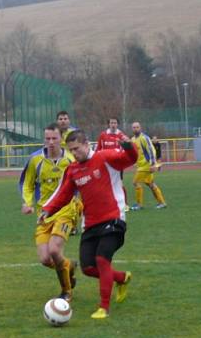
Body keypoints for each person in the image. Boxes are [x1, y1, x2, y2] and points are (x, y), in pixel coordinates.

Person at [40, 130, 136, 319]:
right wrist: (47, 210)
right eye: (71, 150)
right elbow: (63, 194)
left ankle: (104, 307)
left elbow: (130, 159)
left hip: (113, 219)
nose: (74, 153)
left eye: (76, 149)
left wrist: (128, 146)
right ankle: (122, 278)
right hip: (91, 224)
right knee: (88, 268)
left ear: (86, 144)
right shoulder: (73, 169)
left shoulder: (105, 157)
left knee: (102, 259)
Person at [19, 125, 81, 302]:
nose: (51, 142)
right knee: (46, 259)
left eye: (54, 138)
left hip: (66, 211)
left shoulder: (70, 159)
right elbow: (27, 184)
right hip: (44, 215)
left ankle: (66, 292)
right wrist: (27, 202)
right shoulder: (35, 160)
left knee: (54, 250)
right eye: (47, 139)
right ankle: (68, 267)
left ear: (61, 139)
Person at [129, 122, 167, 209]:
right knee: (150, 184)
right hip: (141, 165)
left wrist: (153, 164)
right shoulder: (133, 139)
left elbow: (151, 151)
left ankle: (139, 205)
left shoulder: (144, 138)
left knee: (136, 182)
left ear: (140, 128)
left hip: (146, 165)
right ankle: (162, 202)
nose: (135, 129)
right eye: (134, 127)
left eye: (137, 127)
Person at [96, 117, 129, 211]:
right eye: (111, 123)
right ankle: (107, 203)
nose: (113, 124)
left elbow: (125, 150)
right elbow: (98, 149)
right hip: (105, 164)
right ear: (108, 124)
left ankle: (125, 204)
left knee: (119, 184)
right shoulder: (103, 135)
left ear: (117, 124)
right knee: (104, 184)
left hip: (117, 164)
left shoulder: (121, 135)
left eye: (115, 123)